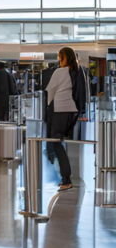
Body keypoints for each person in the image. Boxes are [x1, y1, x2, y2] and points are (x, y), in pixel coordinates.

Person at [45, 47, 84, 191]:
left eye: (59, 57)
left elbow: (50, 90)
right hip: (72, 111)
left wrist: (48, 106)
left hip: (60, 110)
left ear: (63, 57)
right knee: (61, 141)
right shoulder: (78, 72)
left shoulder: (60, 71)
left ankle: (66, 178)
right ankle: (66, 176)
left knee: (56, 142)